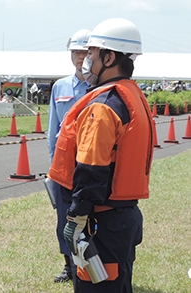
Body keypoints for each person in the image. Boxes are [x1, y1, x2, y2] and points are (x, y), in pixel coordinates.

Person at [48, 18, 154, 292]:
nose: (87, 59)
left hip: (101, 221)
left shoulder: (104, 105)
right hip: (123, 217)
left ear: (109, 58)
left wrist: (76, 219)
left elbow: (91, 168)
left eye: (93, 52)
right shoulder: (132, 96)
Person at [47, 29, 91, 283]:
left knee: (90, 214)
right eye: (76, 52)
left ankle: (88, 264)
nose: (80, 57)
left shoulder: (100, 87)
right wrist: (53, 164)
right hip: (64, 163)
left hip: (91, 160)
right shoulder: (60, 86)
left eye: (85, 52)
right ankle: (69, 265)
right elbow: (53, 128)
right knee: (64, 217)